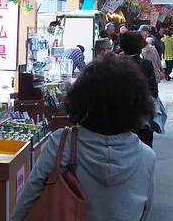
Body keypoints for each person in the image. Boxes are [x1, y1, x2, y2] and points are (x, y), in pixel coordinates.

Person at [12, 55, 156, 221]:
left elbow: (28, 200)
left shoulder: (61, 144)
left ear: (82, 97)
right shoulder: (146, 157)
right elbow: (144, 213)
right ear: (137, 103)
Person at [120, 31, 158, 147]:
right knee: (144, 146)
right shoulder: (146, 64)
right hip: (143, 112)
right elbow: (154, 91)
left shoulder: (115, 64)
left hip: (120, 113)